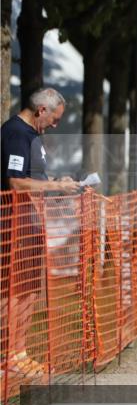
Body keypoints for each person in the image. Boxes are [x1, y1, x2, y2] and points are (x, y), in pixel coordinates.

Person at [1, 88, 77, 381]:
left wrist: (58, 182)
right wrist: (53, 188)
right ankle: (8, 355)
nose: (55, 125)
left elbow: (33, 178)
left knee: (30, 289)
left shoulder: (32, 137)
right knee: (14, 290)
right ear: (41, 111)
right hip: (12, 223)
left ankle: (18, 353)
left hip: (29, 222)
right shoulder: (17, 134)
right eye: (54, 119)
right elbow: (17, 183)